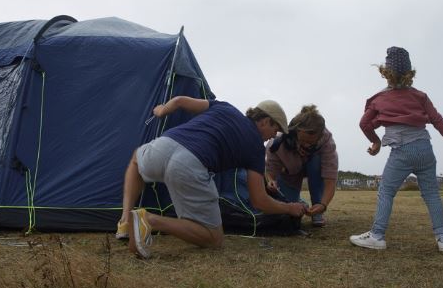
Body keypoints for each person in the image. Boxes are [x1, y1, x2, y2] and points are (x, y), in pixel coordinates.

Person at [116, 97, 306, 258]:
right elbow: (259, 201)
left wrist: (162, 110)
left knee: (136, 160)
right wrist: (290, 207)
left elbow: (181, 101)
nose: (274, 136)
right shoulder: (256, 147)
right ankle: (148, 220)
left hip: (166, 144)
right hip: (190, 164)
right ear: (265, 121)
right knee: (214, 238)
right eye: (275, 129)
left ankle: (125, 221)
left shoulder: (225, 107)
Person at [350, 47, 443, 252]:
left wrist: (375, 141)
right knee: (431, 194)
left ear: (385, 72)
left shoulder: (379, 99)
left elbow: (364, 124)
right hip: (424, 149)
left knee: (386, 191)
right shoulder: (420, 97)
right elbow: (437, 120)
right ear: (410, 73)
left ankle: (377, 235)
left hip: (401, 152)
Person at [265, 105, 337, 227]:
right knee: (287, 210)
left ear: (319, 138)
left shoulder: (327, 143)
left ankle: (316, 210)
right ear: (296, 132)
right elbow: (270, 174)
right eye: (302, 141)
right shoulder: (277, 145)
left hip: (315, 171)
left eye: (311, 143)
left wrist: (323, 205)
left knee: (315, 160)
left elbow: (330, 179)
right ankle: (299, 201)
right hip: (289, 176)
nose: (306, 146)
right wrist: (270, 181)